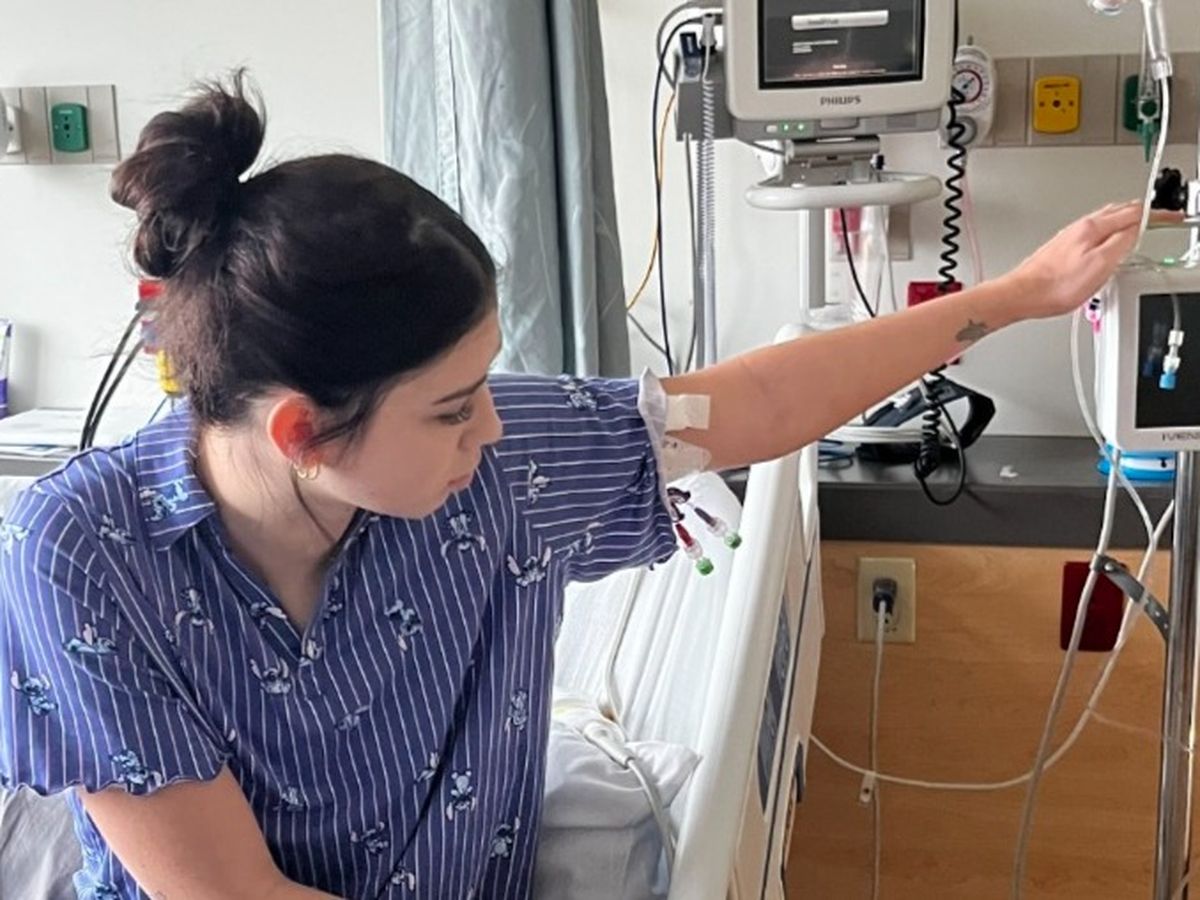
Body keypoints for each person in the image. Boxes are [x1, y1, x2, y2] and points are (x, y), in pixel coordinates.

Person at [0, 75, 1167, 900]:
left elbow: (751, 405)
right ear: (304, 431)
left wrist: (1013, 297)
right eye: (452, 408)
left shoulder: (497, 475)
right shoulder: (83, 556)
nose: (494, 426)